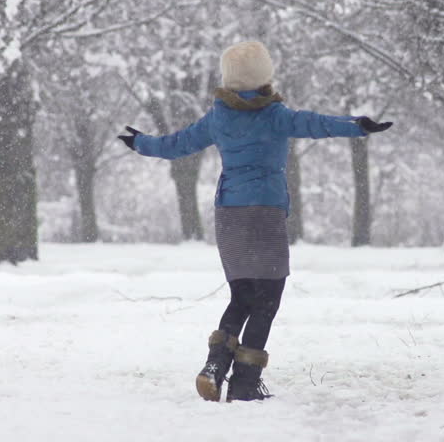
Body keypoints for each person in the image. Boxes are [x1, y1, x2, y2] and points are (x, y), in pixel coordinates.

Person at [118, 40, 393, 402]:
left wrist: (141, 143)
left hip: (229, 214)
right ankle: (246, 383)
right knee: (267, 299)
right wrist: (357, 125)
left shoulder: (218, 118)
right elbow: (317, 124)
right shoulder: (276, 115)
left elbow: (176, 145)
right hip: (265, 213)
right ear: (265, 75)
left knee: (242, 294)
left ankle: (215, 364)